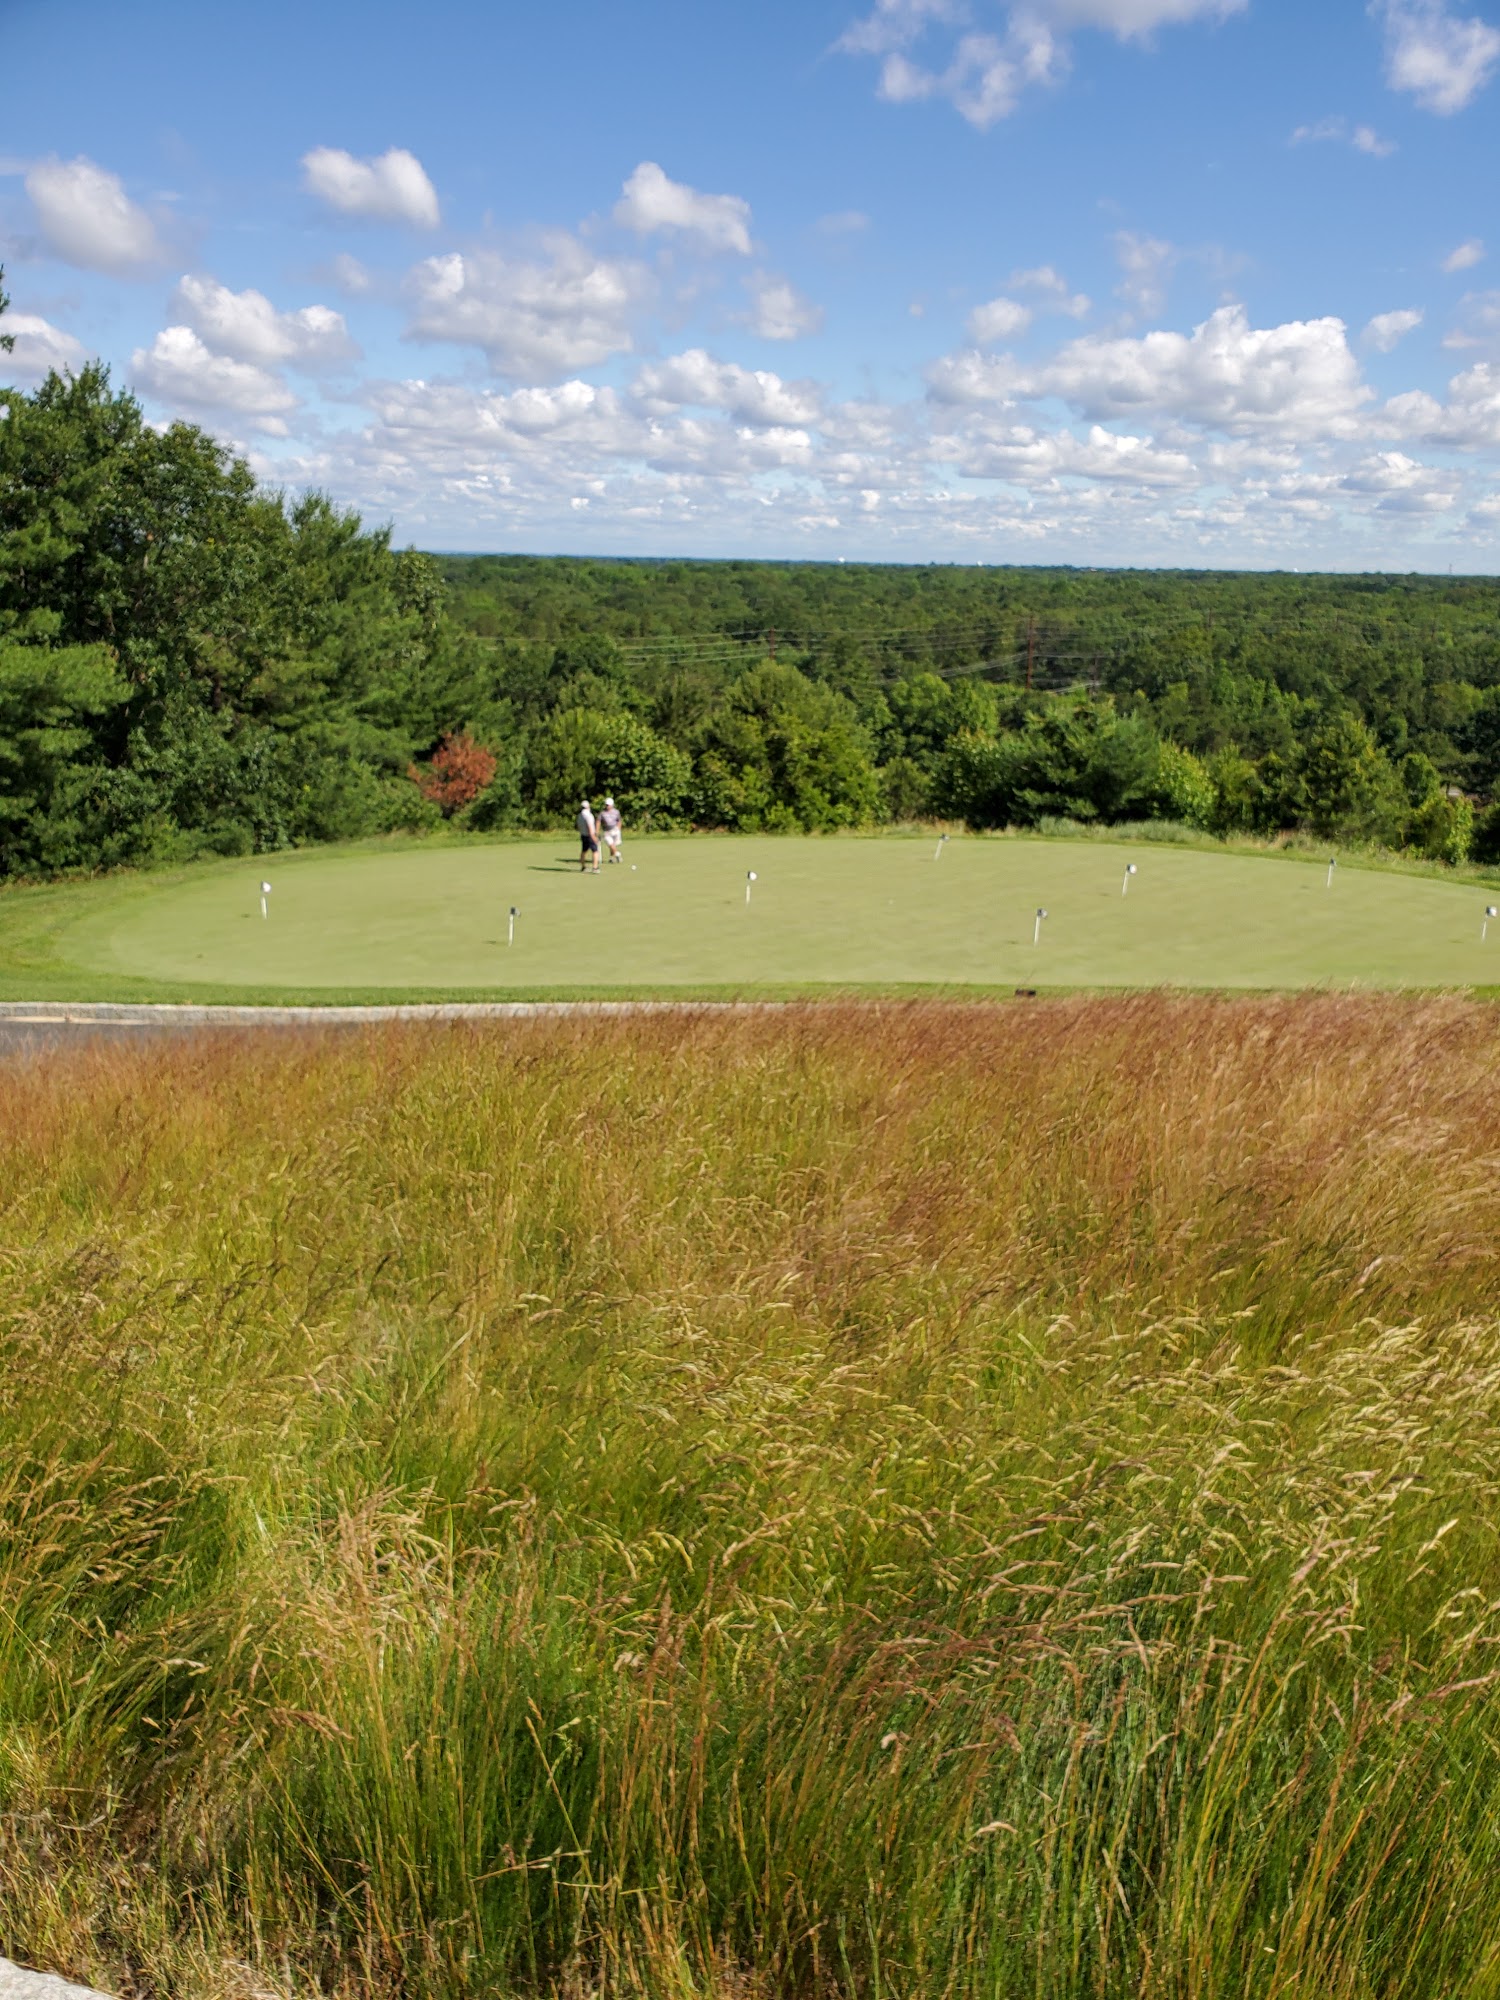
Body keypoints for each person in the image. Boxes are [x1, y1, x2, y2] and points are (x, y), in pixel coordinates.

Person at [578, 798, 600, 874]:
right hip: (590, 835)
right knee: (595, 851)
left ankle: (583, 866)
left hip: (583, 835)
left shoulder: (580, 815)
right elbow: (590, 826)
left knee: (584, 851)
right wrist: (594, 837)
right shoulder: (588, 815)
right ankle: (595, 867)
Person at [599, 796, 623, 864]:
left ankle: (611, 858)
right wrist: (596, 831)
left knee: (613, 845)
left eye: (608, 805)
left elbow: (619, 820)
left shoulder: (616, 812)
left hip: (615, 830)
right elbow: (598, 821)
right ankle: (617, 854)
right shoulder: (602, 813)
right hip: (607, 832)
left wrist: (618, 828)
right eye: (606, 805)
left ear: (612, 805)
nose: (607, 806)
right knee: (611, 844)